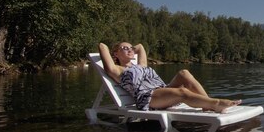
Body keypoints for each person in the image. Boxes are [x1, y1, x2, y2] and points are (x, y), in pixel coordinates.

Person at [98, 42, 241, 113]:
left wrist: (128, 49)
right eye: (124, 48)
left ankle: (207, 104)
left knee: (184, 73)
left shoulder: (140, 65)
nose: (129, 49)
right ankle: (215, 104)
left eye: (130, 48)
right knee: (183, 92)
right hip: (149, 98)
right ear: (115, 55)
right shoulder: (116, 70)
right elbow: (102, 46)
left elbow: (140, 47)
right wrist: (115, 51)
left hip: (162, 90)